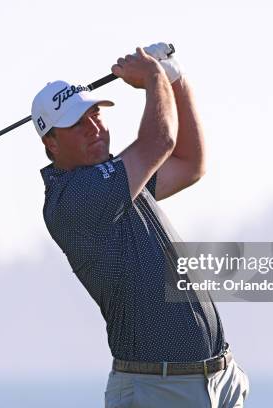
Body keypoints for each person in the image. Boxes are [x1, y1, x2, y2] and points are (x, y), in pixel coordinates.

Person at [31, 43, 249, 408]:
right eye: (76, 124)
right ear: (50, 142)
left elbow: (189, 162)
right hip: (157, 389)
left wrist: (174, 79)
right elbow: (160, 141)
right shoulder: (74, 198)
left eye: (95, 115)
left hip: (216, 380)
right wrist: (152, 78)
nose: (93, 128)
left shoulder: (115, 179)